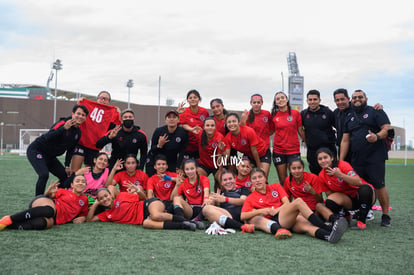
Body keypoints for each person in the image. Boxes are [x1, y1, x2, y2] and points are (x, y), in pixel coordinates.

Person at [240, 168, 348, 243]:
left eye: (260, 177)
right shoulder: (251, 198)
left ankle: (328, 236)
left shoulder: (275, 186)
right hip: (276, 221)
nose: (258, 180)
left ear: (265, 178)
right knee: (298, 201)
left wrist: (276, 210)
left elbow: (286, 202)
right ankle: (326, 226)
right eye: (254, 178)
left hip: (285, 216)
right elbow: (243, 216)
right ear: (251, 181)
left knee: (307, 227)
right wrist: (261, 211)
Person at [340, 89, 391, 227]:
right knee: (358, 186)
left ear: (366, 99)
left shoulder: (376, 111)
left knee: (379, 185)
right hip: (357, 158)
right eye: (355, 97)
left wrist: (377, 136)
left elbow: (387, 128)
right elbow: (345, 140)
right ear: (351, 100)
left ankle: (386, 215)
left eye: (360, 97)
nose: (357, 99)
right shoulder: (349, 116)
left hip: (375, 157)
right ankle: (363, 212)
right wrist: (341, 160)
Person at [27, 104, 88, 195]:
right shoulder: (62, 123)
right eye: (78, 114)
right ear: (72, 114)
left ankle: (53, 196)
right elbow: (47, 137)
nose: (80, 116)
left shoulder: (78, 133)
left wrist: (67, 165)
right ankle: (38, 201)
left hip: (51, 156)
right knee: (44, 175)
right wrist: (63, 129)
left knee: (65, 177)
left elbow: (70, 149)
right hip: (37, 150)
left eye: (83, 115)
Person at [86, 186, 197, 231]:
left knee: (156, 215)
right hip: (144, 218)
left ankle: (189, 222)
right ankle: (183, 226)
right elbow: (90, 219)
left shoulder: (121, 196)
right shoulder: (107, 215)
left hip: (148, 205)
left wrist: (138, 191)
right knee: (146, 224)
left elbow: (143, 198)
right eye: (101, 199)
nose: (105, 199)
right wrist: (95, 204)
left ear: (111, 195)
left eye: (106, 196)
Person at [316, 148, 376, 230]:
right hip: (348, 200)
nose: (323, 161)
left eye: (325, 157)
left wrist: (340, 175)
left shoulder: (342, 165)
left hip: (365, 195)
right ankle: (346, 215)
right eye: (320, 159)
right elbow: (329, 195)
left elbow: (358, 182)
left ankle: (361, 221)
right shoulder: (321, 175)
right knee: (330, 201)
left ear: (332, 158)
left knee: (365, 189)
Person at [0, 176, 88, 231]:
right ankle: (8, 219)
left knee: (42, 223)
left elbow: (84, 214)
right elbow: (48, 196)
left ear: (85, 185)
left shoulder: (84, 199)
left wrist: (83, 218)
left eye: (83, 181)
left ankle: (9, 226)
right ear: (72, 185)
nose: (80, 183)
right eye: (77, 181)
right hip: (45, 203)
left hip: (56, 219)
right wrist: (49, 191)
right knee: (49, 211)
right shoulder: (63, 191)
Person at [71, 91, 121, 171]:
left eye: (106, 99)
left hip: (95, 146)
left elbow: (117, 125)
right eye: (101, 98)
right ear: (97, 99)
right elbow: (77, 114)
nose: (103, 100)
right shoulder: (87, 106)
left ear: (109, 102)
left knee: (91, 173)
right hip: (81, 142)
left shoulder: (112, 112)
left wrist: (118, 113)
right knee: (74, 172)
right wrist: (79, 103)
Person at [270, 91, 305, 185]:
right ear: (275, 102)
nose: (280, 100)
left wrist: (308, 142)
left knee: (295, 180)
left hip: (293, 151)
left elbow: (300, 130)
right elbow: (270, 131)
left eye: (282, 97)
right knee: (283, 181)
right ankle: (286, 200)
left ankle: (296, 199)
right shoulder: (273, 116)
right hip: (278, 151)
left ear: (287, 99)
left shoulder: (295, 114)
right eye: (278, 99)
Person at [224, 113, 271, 177]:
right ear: (226, 124)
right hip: (249, 156)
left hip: (263, 153)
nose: (231, 124)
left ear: (238, 122)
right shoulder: (228, 137)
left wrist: (259, 166)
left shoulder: (248, 131)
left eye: (234, 121)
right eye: (229, 122)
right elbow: (227, 155)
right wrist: (221, 152)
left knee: (262, 176)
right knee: (245, 174)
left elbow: (254, 150)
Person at [301, 90, 336, 175]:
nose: (312, 102)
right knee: (315, 175)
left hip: (328, 149)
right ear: (307, 101)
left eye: (315, 99)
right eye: (310, 100)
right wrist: (306, 140)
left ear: (319, 100)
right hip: (312, 151)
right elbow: (300, 129)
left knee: (331, 174)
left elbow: (338, 126)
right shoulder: (303, 114)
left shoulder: (327, 112)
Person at [146, 110, 188, 177]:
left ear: (178, 120)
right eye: (169, 117)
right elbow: (152, 149)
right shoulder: (159, 131)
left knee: (178, 176)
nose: (171, 119)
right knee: (152, 177)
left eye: (174, 117)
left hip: (171, 159)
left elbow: (182, 151)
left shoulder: (183, 133)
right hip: (156, 158)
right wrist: (159, 145)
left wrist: (178, 166)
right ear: (165, 120)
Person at [178, 89, 209, 159]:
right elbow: (182, 124)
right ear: (187, 100)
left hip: (201, 144)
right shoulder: (184, 111)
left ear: (199, 99)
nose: (193, 99)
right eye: (190, 98)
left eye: (195, 97)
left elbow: (208, 124)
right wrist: (191, 129)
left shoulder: (204, 111)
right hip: (188, 145)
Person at [197, 116, 226, 192]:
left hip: (216, 165)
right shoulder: (200, 134)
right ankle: (204, 199)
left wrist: (220, 170)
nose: (210, 127)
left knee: (222, 180)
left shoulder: (219, 137)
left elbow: (220, 156)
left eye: (212, 125)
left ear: (215, 127)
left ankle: (220, 201)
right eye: (207, 125)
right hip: (203, 164)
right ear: (203, 127)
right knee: (198, 179)